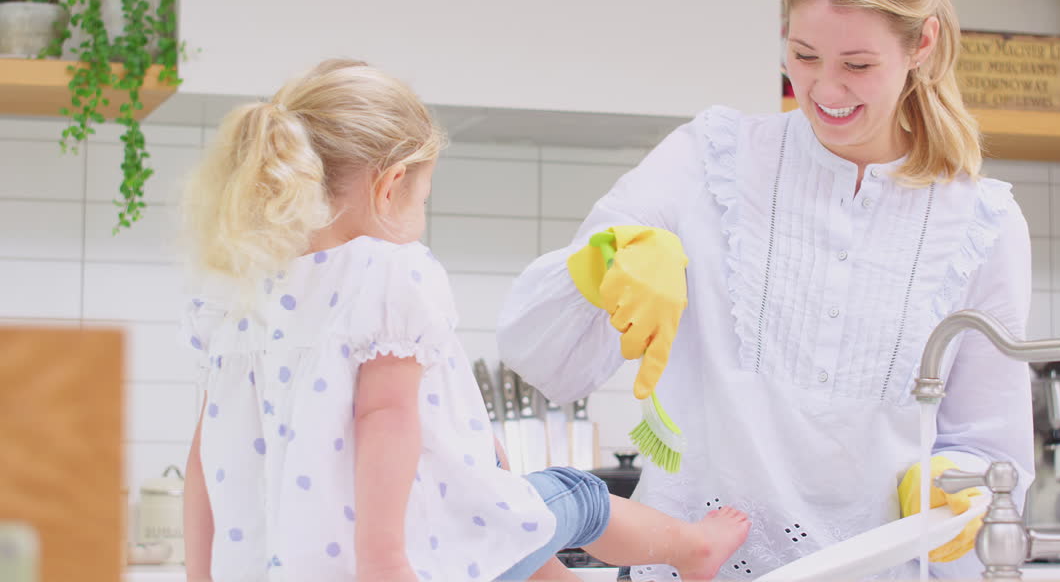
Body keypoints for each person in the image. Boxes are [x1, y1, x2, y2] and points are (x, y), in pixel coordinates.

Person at [497, 0, 1034, 580]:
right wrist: (604, 261)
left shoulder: (984, 223)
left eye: (858, 65)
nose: (825, 90)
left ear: (921, 43)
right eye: (803, 55)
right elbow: (541, 358)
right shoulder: (711, 160)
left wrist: (957, 480)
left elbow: (991, 444)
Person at [176, 60, 751, 582]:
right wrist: (385, 562)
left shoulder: (235, 293)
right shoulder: (385, 273)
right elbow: (386, 418)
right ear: (391, 184)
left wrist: (201, 574)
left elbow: (207, 456)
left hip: (297, 566)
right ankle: (692, 547)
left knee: (518, 538)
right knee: (574, 496)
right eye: (424, 198)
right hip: (420, 556)